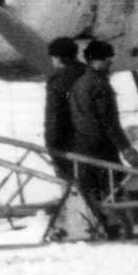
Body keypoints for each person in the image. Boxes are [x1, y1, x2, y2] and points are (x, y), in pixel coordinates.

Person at [66, 40, 137, 225]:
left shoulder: (78, 84)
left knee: (91, 196)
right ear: (97, 61)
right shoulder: (100, 85)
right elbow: (109, 123)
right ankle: (125, 229)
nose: (110, 64)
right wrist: (126, 148)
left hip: (82, 148)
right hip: (102, 148)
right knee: (115, 191)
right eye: (108, 61)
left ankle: (102, 229)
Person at [42, 37, 84, 184]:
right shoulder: (92, 75)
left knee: (74, 192)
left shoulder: (58, 82)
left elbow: (54, 118)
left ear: (57, 58)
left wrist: (52, 149)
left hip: (70, 148)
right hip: (99, 147)